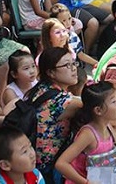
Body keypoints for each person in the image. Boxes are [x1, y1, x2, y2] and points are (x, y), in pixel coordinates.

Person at [56, 82, 116, 184]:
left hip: (106, 176)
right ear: (98, 110)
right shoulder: (88, 134)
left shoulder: (108, 127)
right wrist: (86, 182)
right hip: (88, 180)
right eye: (113, 102)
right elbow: (61, 163)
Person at [26, 47, 83, 183]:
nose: (74, 68)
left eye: (74, 63)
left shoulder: (41, 89)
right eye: (66, 65)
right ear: (51, 72)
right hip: (48, 167)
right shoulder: (58, 101)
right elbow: (98, 104)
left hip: (34, 157)